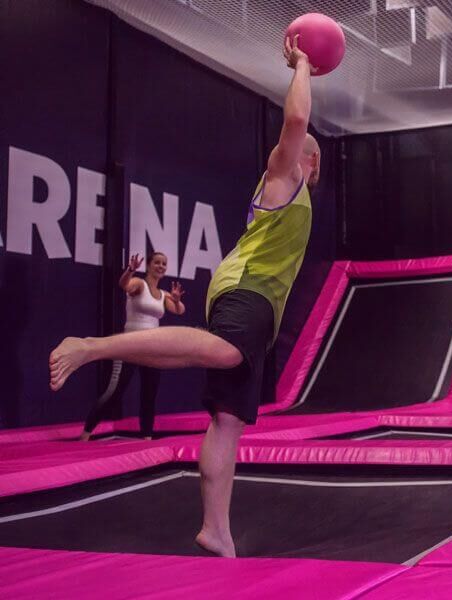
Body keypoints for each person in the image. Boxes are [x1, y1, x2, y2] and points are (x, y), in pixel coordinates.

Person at [49, 34, 321, 557]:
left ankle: (216, 530)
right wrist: (304, 65)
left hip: (255, 300)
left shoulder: (293, 190)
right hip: (246, 288)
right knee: (227, 351)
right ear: (309, 160)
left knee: (228, 421)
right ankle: (92, 347)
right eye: (316, 158)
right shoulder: (286, 175)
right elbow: (295, 119)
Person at [80, 252, 185, 441]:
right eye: (157, 262)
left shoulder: (163, 295)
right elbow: (124, 285)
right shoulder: (139, 284)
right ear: (149, 265)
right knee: (115, 392)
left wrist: (176, 300)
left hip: (153, 350)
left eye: (164, 264)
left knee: (149, 395)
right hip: (130, 346)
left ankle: (147, 437)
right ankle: (86, 433)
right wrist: (130, 270)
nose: (161, 266)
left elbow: (180, 310)